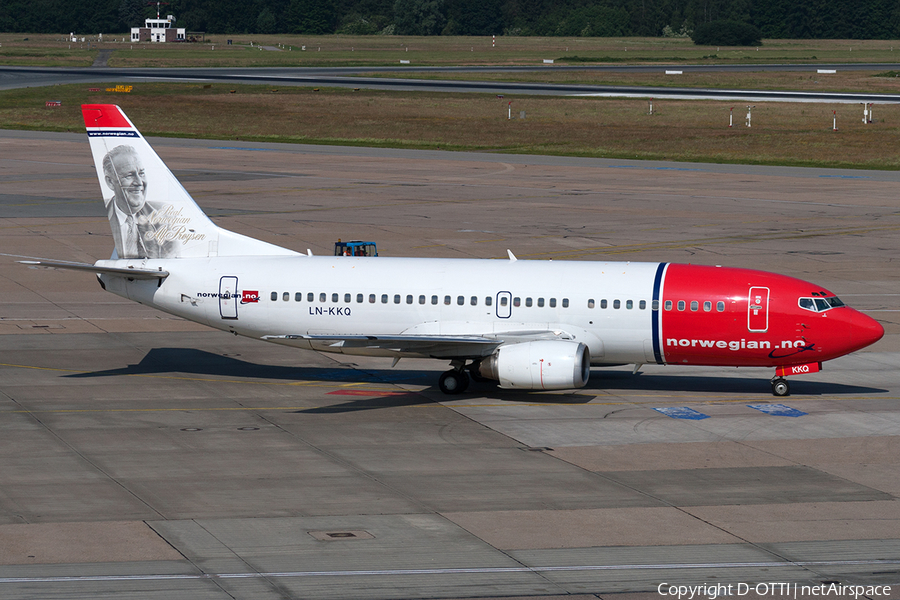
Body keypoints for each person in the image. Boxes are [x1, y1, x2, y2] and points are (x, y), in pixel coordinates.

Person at [101, 145, 173, 259]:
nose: (139, 182)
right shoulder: (102, 218)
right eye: (130, 175)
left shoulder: (164, 220)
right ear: (110, 182)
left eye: (141, 173)